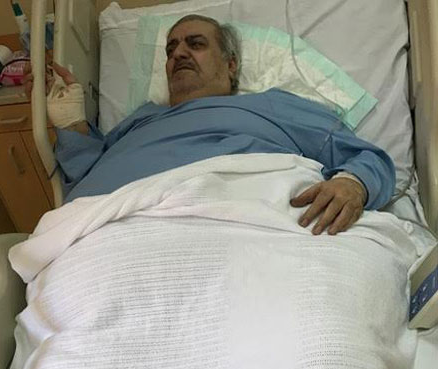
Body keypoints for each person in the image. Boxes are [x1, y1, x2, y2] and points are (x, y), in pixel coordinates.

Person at [24, 14, 395, 235]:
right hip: (107, 238)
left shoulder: (271, 106)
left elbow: (366, 157)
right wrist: (71, 120)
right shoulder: (139, 120)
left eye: (195, 44)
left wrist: (352, 184)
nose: (179, 54)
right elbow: (86, 178)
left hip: (247, 228)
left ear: (231, 65)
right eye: (171, 50)